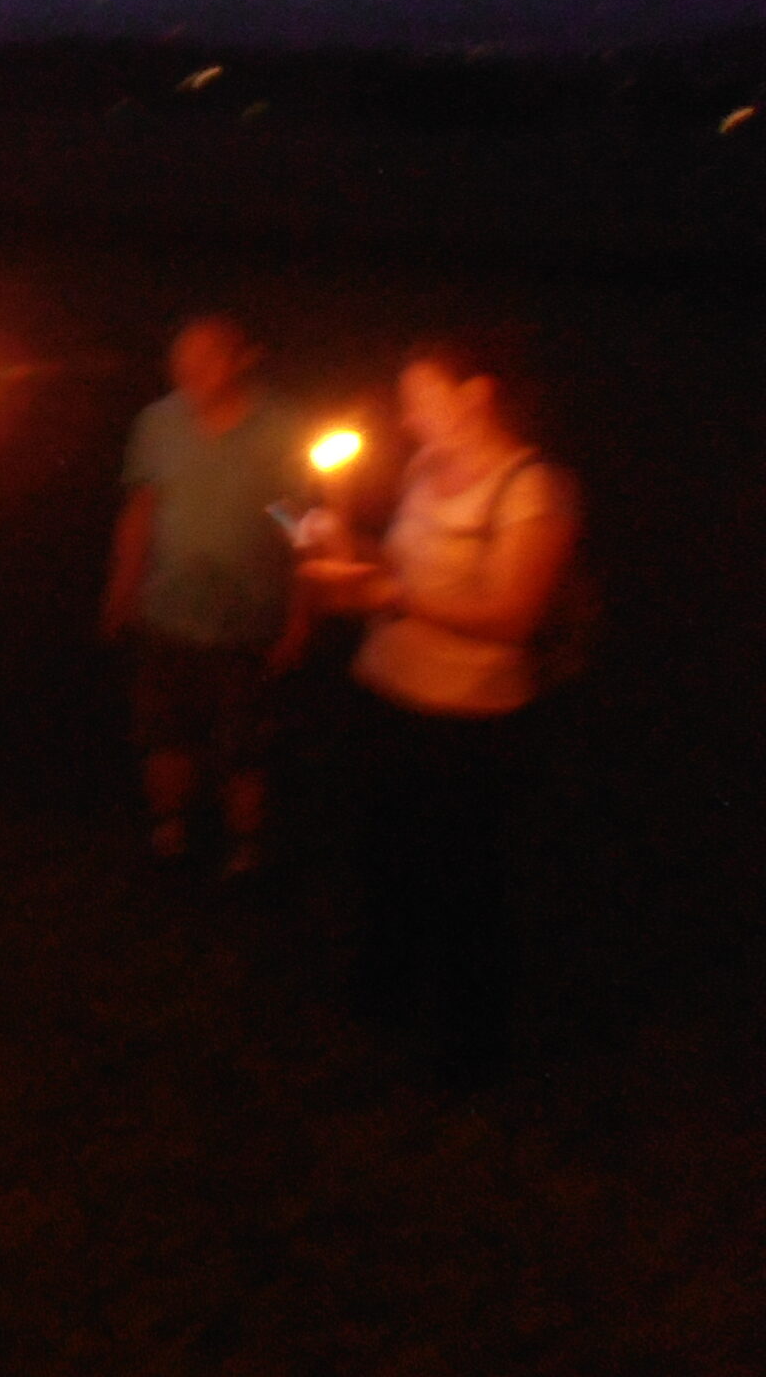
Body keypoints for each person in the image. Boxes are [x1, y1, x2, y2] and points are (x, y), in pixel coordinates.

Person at [298, 331, 580, 1087]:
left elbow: (511, 614)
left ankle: (470, 1046)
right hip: (387, 694)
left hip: (470, 723)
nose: (408, 415)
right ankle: (384, 997)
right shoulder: (424, 470)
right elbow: (403, 566)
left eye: (421, 397)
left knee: (467, 880)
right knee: (387, 859)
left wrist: (393, 595)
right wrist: (344, 547)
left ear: (475, 396)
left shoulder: (531, 489)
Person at [101, 314, 308, 876]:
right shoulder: (158, 424)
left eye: (207, 356)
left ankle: (244, 847)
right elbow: (143, 509)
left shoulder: (278, 427)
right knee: (164, 733)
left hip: (248, 616)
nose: (190, 368)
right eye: (181, 356)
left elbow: (296, 521)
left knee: (244, 745)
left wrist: (299, 613)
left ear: (242, 360)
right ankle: (170, 834)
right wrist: (122, 588)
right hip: (166, 610)